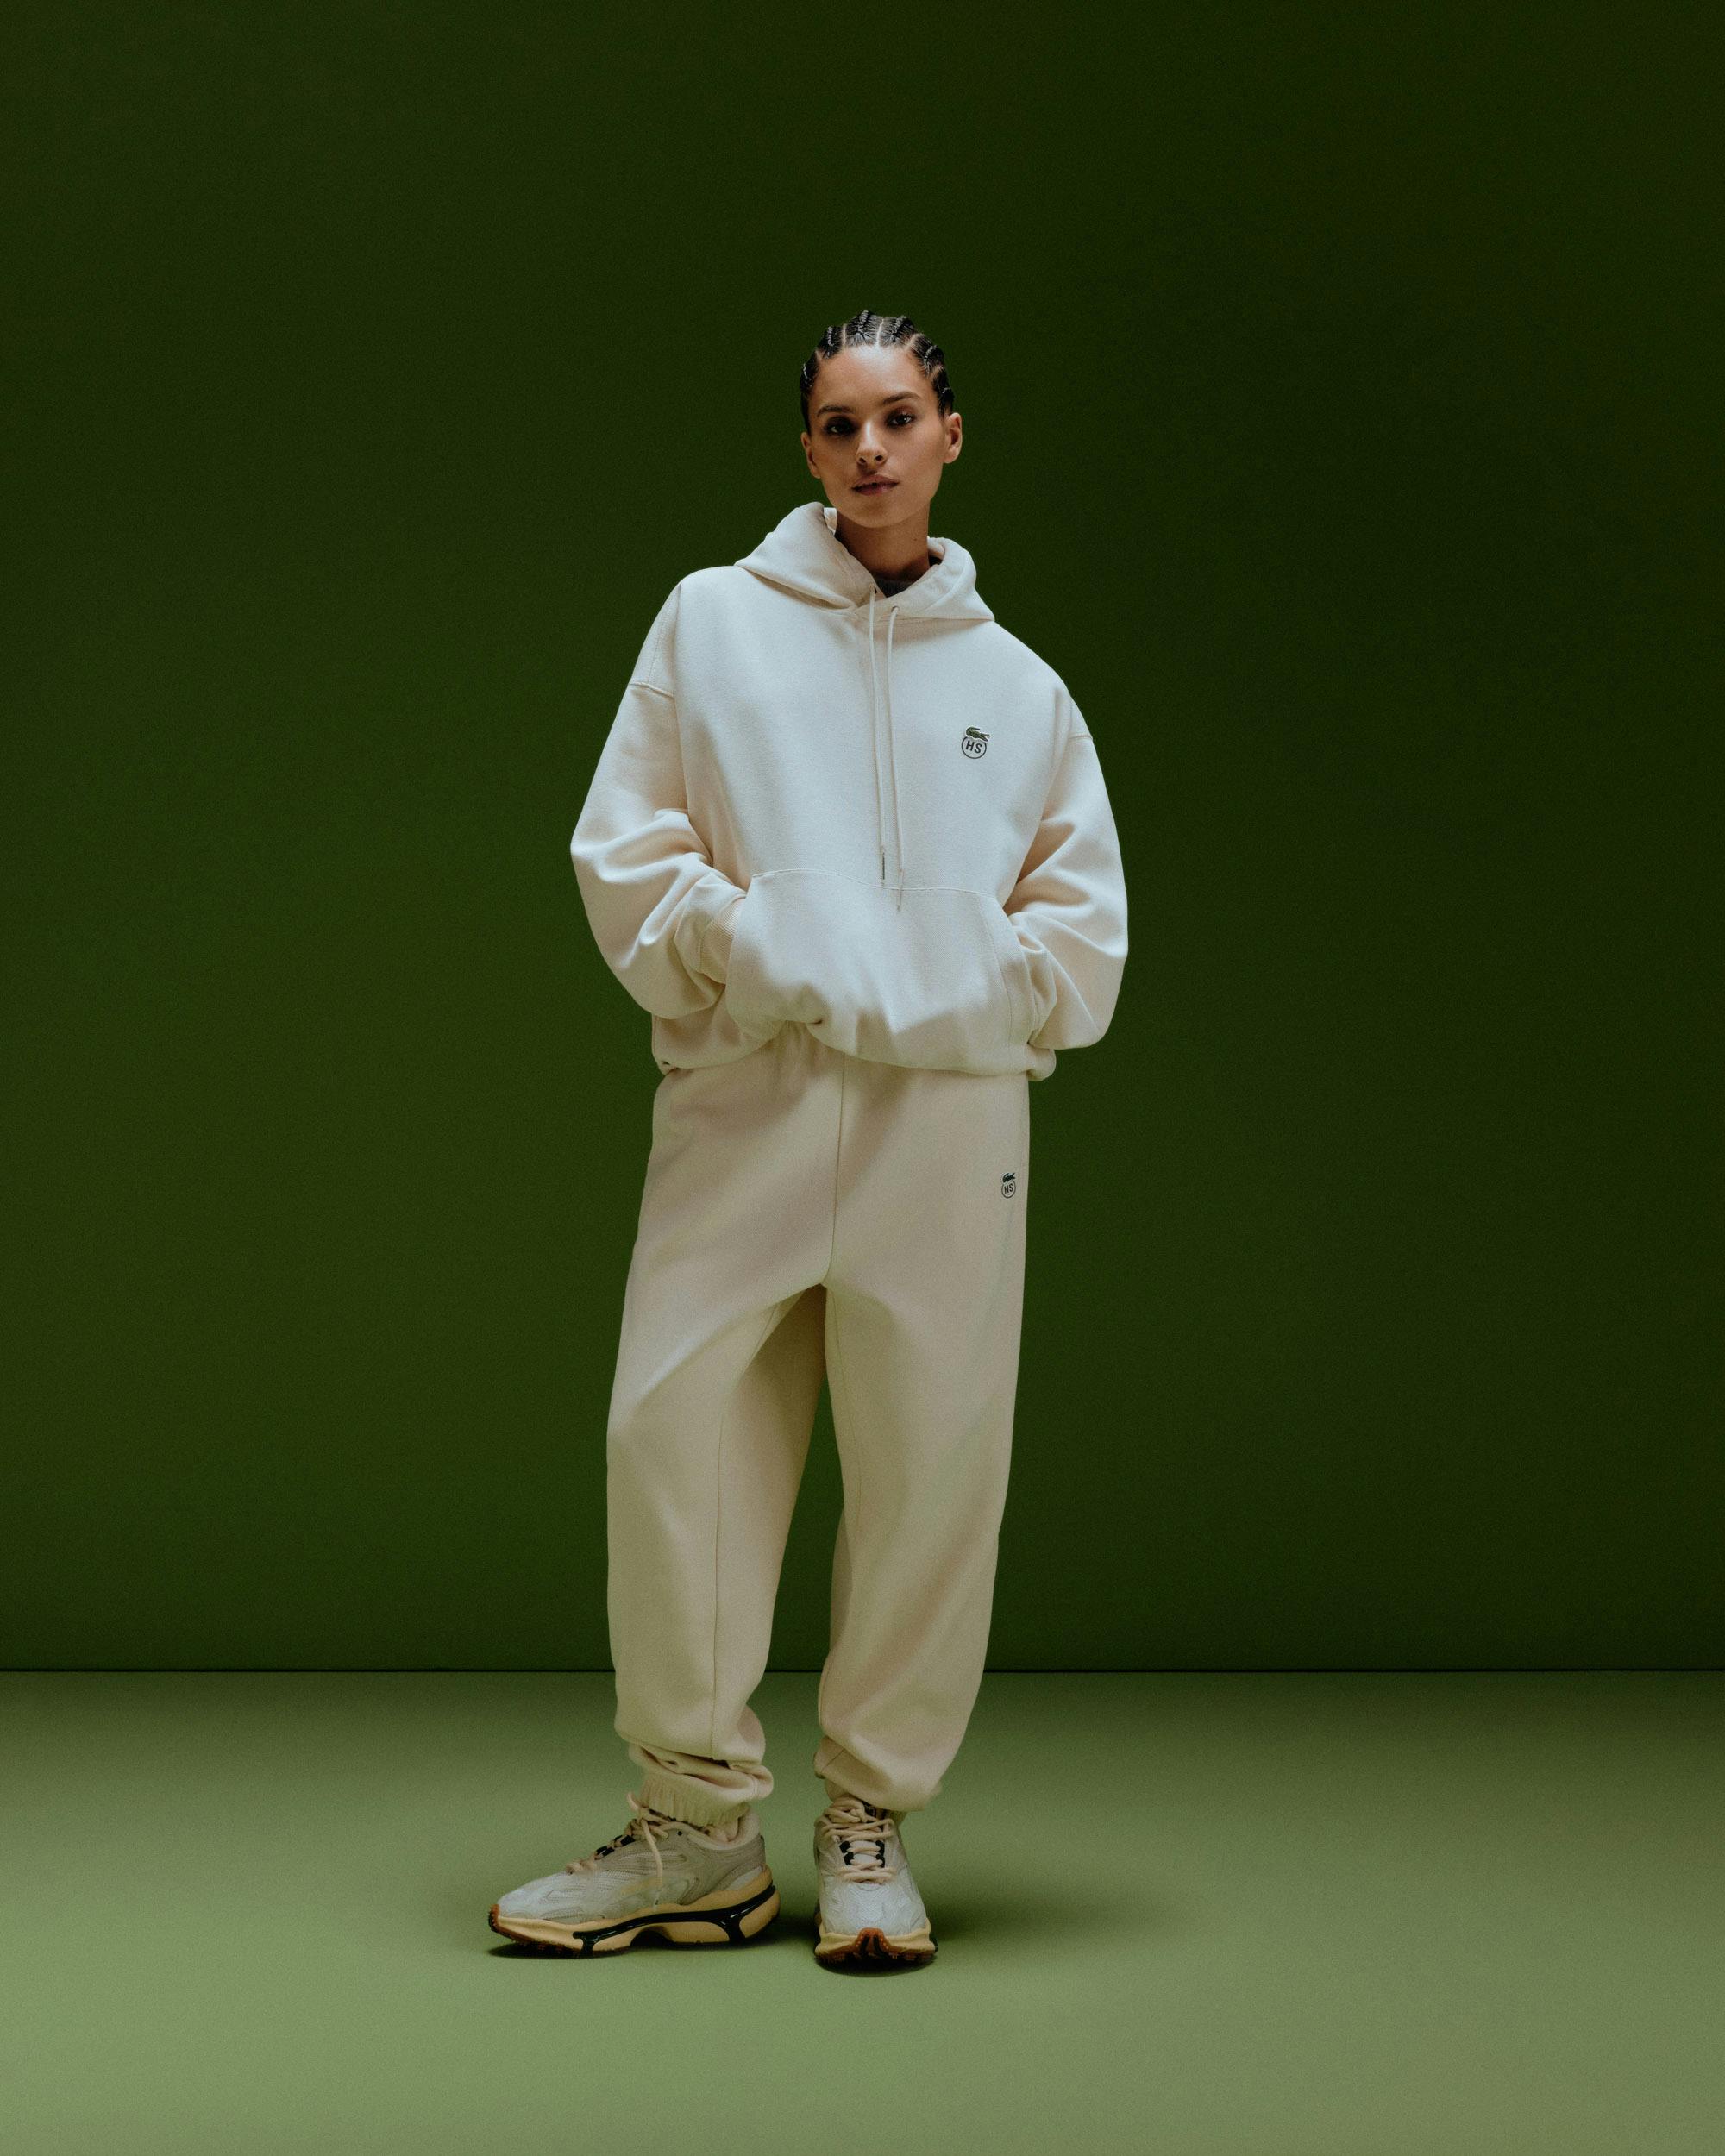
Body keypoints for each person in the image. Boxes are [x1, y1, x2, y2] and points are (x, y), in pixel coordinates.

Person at [489, 310, 1128, 1971]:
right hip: (747, 1099)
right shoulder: (712, 624)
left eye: (898, 417)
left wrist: (933, 989)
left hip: (949, 1126)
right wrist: (773, 952)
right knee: (677, 1438)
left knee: (934, 1469)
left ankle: (868, 1828)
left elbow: (1082, 944)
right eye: (840, 424)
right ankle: (696, 1831)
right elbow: (626, 854)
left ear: (950, 436)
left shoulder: (1021, 691)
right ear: (808, 450)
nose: (870, 450)